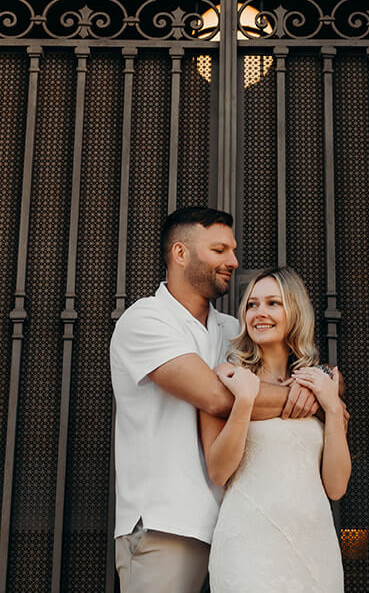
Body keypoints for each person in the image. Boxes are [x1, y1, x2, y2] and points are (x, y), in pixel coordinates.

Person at [110, 207, 321, 592]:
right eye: (220, 250)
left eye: (233, 250)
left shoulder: (231, 331)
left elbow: (292, 364)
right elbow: (215, 398)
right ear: (180, 253)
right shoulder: (146, 320)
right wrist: (308, 399)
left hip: (240, 527)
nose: (234, 261)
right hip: (169, 525)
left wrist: (325, 387)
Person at [199, 267, 350, 592]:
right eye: (252, 305)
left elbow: (336, 487)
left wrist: (333, 408)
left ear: (294, 310)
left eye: (272, 303)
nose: (259, 313)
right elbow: (219, 471)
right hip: (247, 548)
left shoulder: (320, 385)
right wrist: (244, 401)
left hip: (314, 549)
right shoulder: (226, 379)